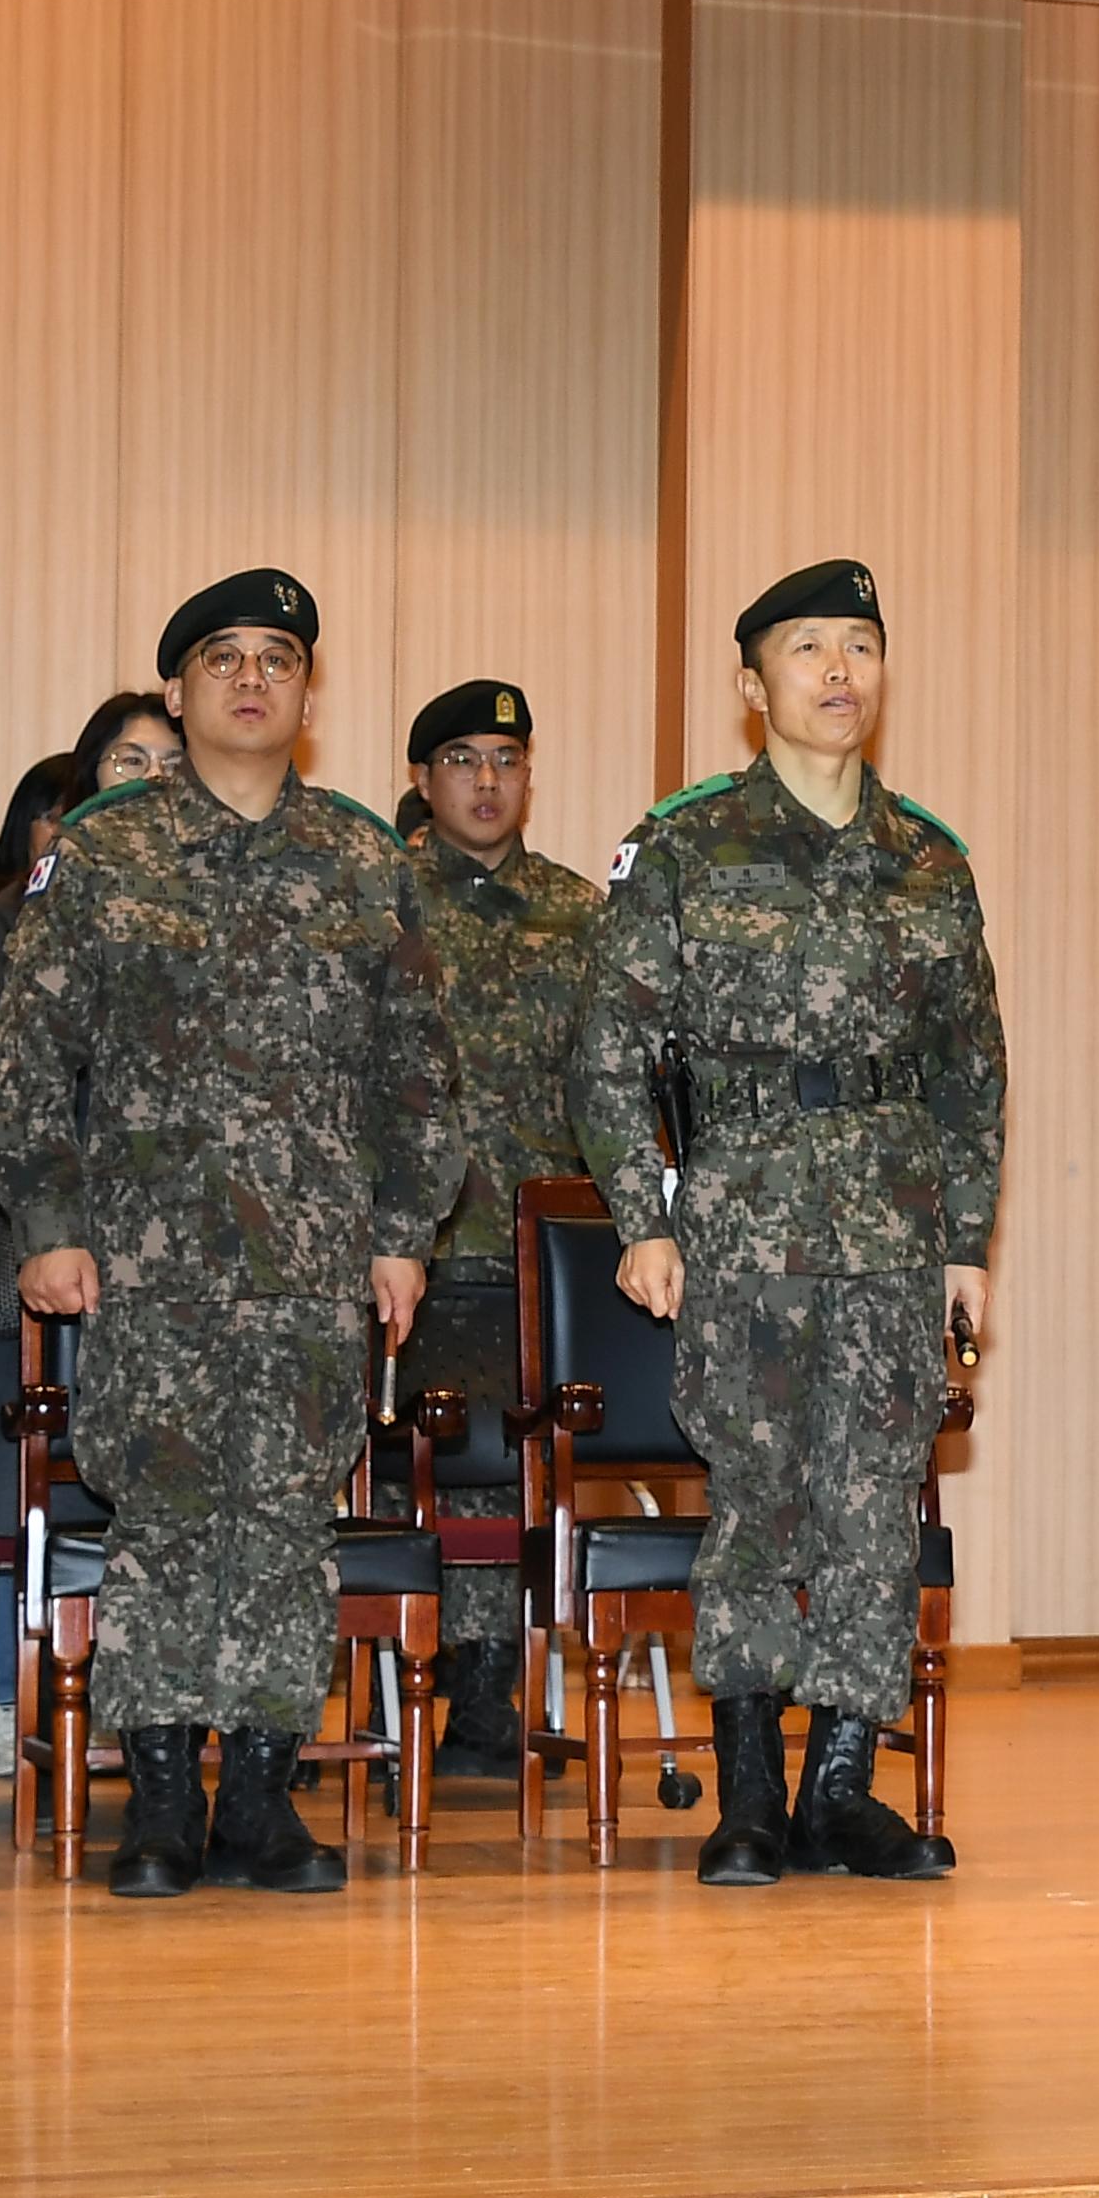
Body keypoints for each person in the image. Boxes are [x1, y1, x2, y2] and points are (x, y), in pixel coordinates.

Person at [0, 569, 460, 1898]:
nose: (252, 679)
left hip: (313, 1262)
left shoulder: (367, 860)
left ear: (308, 693)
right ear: (181, 691)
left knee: (285, 1522)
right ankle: (158, 1802)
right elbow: (32, 1062)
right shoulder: (102, 855)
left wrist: (403, 1231)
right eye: (223, 659)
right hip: (151, 1258)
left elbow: (420, 1074)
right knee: (163, 1518)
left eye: (277, 659)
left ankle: (259, 1796)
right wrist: (51, 1222)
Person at [571, 558, 1002, 1887]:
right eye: (808, 648)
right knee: (759, 1499)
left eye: (860, 646)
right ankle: (749, 1790)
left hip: (888, 1230)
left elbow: (970, 1063)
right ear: (751, 684)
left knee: (874, 1504)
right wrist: (645, 1216)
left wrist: (965, 1242)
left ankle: (842, 1789)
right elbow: (606, 1047)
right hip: (744, 1230)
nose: (838, 672)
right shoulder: (688, 843)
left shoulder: (929, 857)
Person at [0, 695, 181, 1781]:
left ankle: (147, 1710)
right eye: (124, 756)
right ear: (85, 777)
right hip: (47, 1224)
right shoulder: (28, 906)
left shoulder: (211, 896)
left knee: (155, 1486)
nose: (144, 772)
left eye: (163, 759)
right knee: (10, 1486)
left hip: (185, 1253)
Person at [397, 679, 601, 1778]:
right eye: (464, 758)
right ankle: (389, 1699)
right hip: (411, 1253)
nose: (488, 780)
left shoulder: (581, 916)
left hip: (539, 1260)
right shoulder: (381, 904)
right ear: (424, 780)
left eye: (507, 759)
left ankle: (482, 1705)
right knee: (404, 1474)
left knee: (512, 1478)